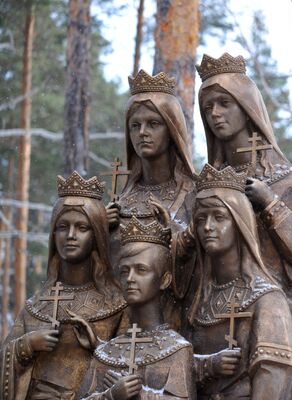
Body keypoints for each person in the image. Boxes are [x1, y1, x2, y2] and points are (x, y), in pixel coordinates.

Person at [192, 52, 292, 397]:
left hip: (272, 320)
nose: (215, 114)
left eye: (223, 103)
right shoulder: (204, 185)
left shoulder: (288, 182)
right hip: (211, 314)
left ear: (247, 106)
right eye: (207, 108)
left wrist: (269, 203)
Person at [0, 172, 127, 400]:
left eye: (82, 227)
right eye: (62, 226)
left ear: (96, 234)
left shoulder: (116, 305)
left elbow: (130, 369)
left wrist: (97, 346)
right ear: (53, 233)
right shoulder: (37, 305)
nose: (70, 235)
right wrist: (26, 345)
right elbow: (3, 360)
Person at [184, 164, 292, 399]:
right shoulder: (198, 298)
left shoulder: (267, 299)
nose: (207, 227)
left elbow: (274, 377)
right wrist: (207, 367)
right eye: (200, 219)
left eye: (219, 217)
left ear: (240, 223)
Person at [108, 69, 196, 328]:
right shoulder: (119, 201)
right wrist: (100, 229)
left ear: (172, 130)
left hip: (178, 324)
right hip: (123, 326)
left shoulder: (194, 195)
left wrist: (175, 231)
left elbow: (209, 264)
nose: (142, 132)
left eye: (153, 124)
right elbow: (105, 274)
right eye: (135, 125)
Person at [78, 212, 196, 400]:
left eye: (141, 270)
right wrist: (111, 396)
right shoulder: (106, 352)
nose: (130, 279)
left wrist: (140, 395)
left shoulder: (177, 349)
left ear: (164, 280)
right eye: (125, 271)